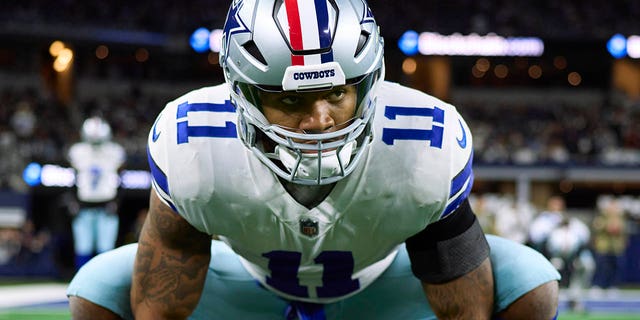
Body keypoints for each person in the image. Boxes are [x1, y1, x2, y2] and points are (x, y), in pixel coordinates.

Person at [67, 1, 560, 319]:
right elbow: (165, 289)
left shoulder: (425, 142)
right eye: (291, 101)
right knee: (95, 292)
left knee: (531, 287)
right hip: (249, 284)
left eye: (337, 93)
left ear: (368, 81)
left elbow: (462, 303)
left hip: (381, 285)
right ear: (244, 95)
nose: (320, 120)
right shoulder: (192, 140)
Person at [67, 116, 125, 269]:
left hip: (106, 205)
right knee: (83, 246)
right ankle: (82, 282)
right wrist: (72, 201)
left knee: (106, 248)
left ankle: (104, 282)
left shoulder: (115, 151)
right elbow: (72, 178)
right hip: (84, 205)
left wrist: (117, 201)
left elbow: (120, 178)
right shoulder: (77, 151)